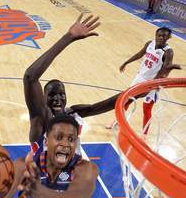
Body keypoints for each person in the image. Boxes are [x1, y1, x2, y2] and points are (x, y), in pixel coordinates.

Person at [23, 14, 118, 149]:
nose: (57, 99)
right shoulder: (40, 118)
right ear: (43, 98)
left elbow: (103, 106)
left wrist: (136, 92)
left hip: (70, 162)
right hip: (45, 163)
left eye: (61, 94)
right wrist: (69, 37)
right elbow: (30, 77)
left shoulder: (72, 113)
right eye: (51, 95)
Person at [105, 27, 181, 133]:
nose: (161, 37)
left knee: (147, 109)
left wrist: (153, 84)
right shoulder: (150, 44)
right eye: (159, 35)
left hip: (153, 82)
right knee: (126, 100)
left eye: (164, 36)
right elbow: (139, 54)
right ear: (155, 35)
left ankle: (144, 134)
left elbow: (164, 71)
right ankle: (116, 120)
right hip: (140, 77)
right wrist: (126, 62)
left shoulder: (168, 52)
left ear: (169, 37)